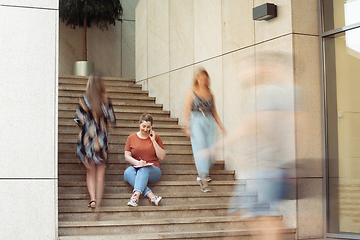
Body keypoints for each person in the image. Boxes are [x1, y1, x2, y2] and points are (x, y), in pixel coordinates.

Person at [75, 74, 116, 211]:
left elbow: (78, 120)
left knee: (90, 173)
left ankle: (92, 199)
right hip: (101, 141)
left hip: (88, 141)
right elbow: (112, 119)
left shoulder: (84, 100)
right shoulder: (105, 100)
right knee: (100, 175)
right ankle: (98, 201)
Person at [183, 67, 226, 192]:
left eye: (204, 77)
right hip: (196, 120)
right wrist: (187, 126)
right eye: (200, 77)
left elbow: (214, 111)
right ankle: (203, 177)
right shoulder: (191, 92)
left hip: (210, 121)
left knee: (211, 149)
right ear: (196, 79)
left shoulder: (210, 93)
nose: (202, 80)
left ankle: (204, 171)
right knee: (200, 147)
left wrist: (222, 127)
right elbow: (186, 109)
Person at [124, 114, 166, 207]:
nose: (145, 129)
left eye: (148, 127)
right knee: (127, 172)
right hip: (136, 166)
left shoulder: (156, 138)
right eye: (143, 126)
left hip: (153, 170)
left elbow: (161, 156)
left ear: (151, 127)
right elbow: (127, 156)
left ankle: (135, 197)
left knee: (143, 170)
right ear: (139, 124)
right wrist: (138, 163)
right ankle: (151, 195)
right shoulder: (131, 138)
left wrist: (153, 140)